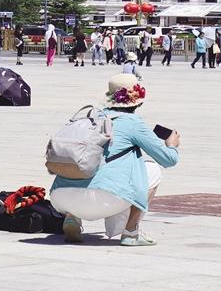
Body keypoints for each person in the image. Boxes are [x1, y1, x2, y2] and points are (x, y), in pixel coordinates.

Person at [50, 74, 180, 246]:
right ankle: (131, 232)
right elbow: (169, 160)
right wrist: (172, 145)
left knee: (86, 166)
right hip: (102, 199)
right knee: (152, 169)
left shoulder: (90, 117)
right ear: (138, 101)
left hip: (60, 198)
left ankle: (71, 218)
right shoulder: (133, 123)